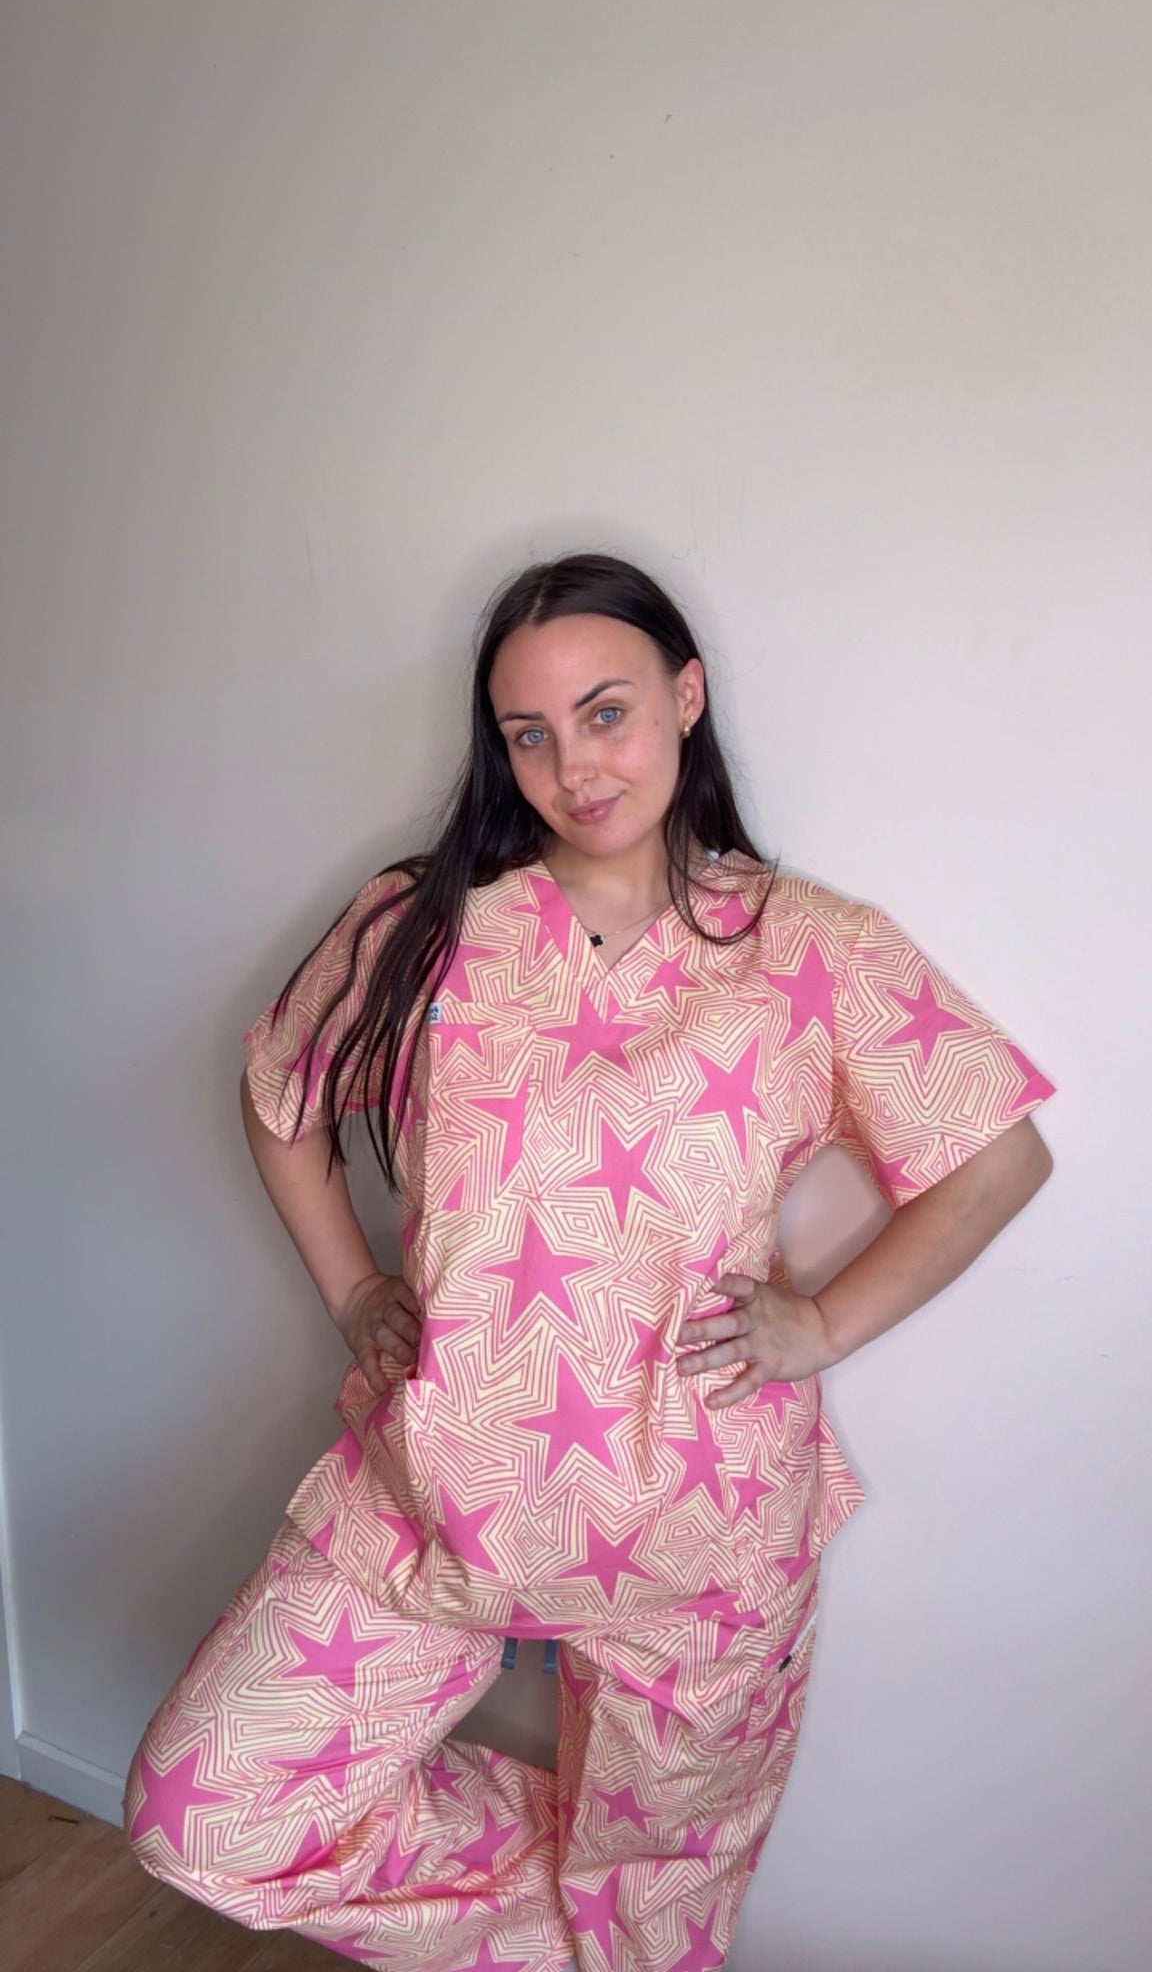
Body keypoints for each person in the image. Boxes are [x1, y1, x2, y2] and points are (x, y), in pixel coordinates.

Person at [125, 553, 1055, 1972]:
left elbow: (998, 1158)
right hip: (431, 1498)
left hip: (704, 1533)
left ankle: (636, 1930)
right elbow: (281, 1097)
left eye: (606, 712)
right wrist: (357, 1291)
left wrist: (819, 1326)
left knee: (657, 1908)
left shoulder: (811, 949)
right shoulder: (423, 925)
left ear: (687, 696)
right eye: (530, 734)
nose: (573, 767)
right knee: (206, 1813)